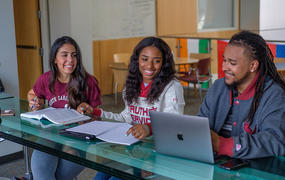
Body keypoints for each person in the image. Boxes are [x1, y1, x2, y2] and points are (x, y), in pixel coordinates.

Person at [78, 37, 185, 180]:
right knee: (102, 173)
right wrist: (95, 112)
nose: (150, 66)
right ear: (137, 60)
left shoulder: (172, 87)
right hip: (135, 149)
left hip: (159, 153)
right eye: (144, 59)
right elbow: (125, 118)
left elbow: (174, 123)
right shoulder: (132, 85)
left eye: (157, 61)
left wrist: (148, 128)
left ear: (164, 63)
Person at [198, 31, 285, 159]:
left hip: (258, 170)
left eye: (232, 63)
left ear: (253, 66)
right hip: (219, 163)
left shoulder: (275, 96)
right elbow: (200, 125)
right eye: (224, 60)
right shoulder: (218, 87)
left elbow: (275, 141)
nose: (224, 67)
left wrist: (222, 145)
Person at [27, 36, 102, 180]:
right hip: (49, 137)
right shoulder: (46, 79)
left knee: (59, 176)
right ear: (55, 59)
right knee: (40, 172)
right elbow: (31, 94)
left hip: (77, 141)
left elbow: (97, 116)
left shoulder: (89, 81)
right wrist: (35, 102)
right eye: (64, 55)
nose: (71, 60)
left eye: (74, 55)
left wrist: (88, 111)